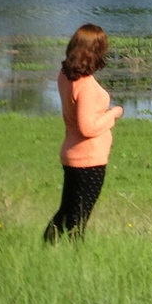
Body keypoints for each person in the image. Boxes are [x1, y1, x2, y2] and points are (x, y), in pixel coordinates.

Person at [44, 23, 124, 243]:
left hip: (72, 155)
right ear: (95, 51)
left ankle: (46, 248)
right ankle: (74, 256)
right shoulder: (86, 85)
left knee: (66, 212)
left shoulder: (65, 75)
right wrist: (114, 114)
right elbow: (87, 127)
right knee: (78, 218)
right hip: (89, 161)